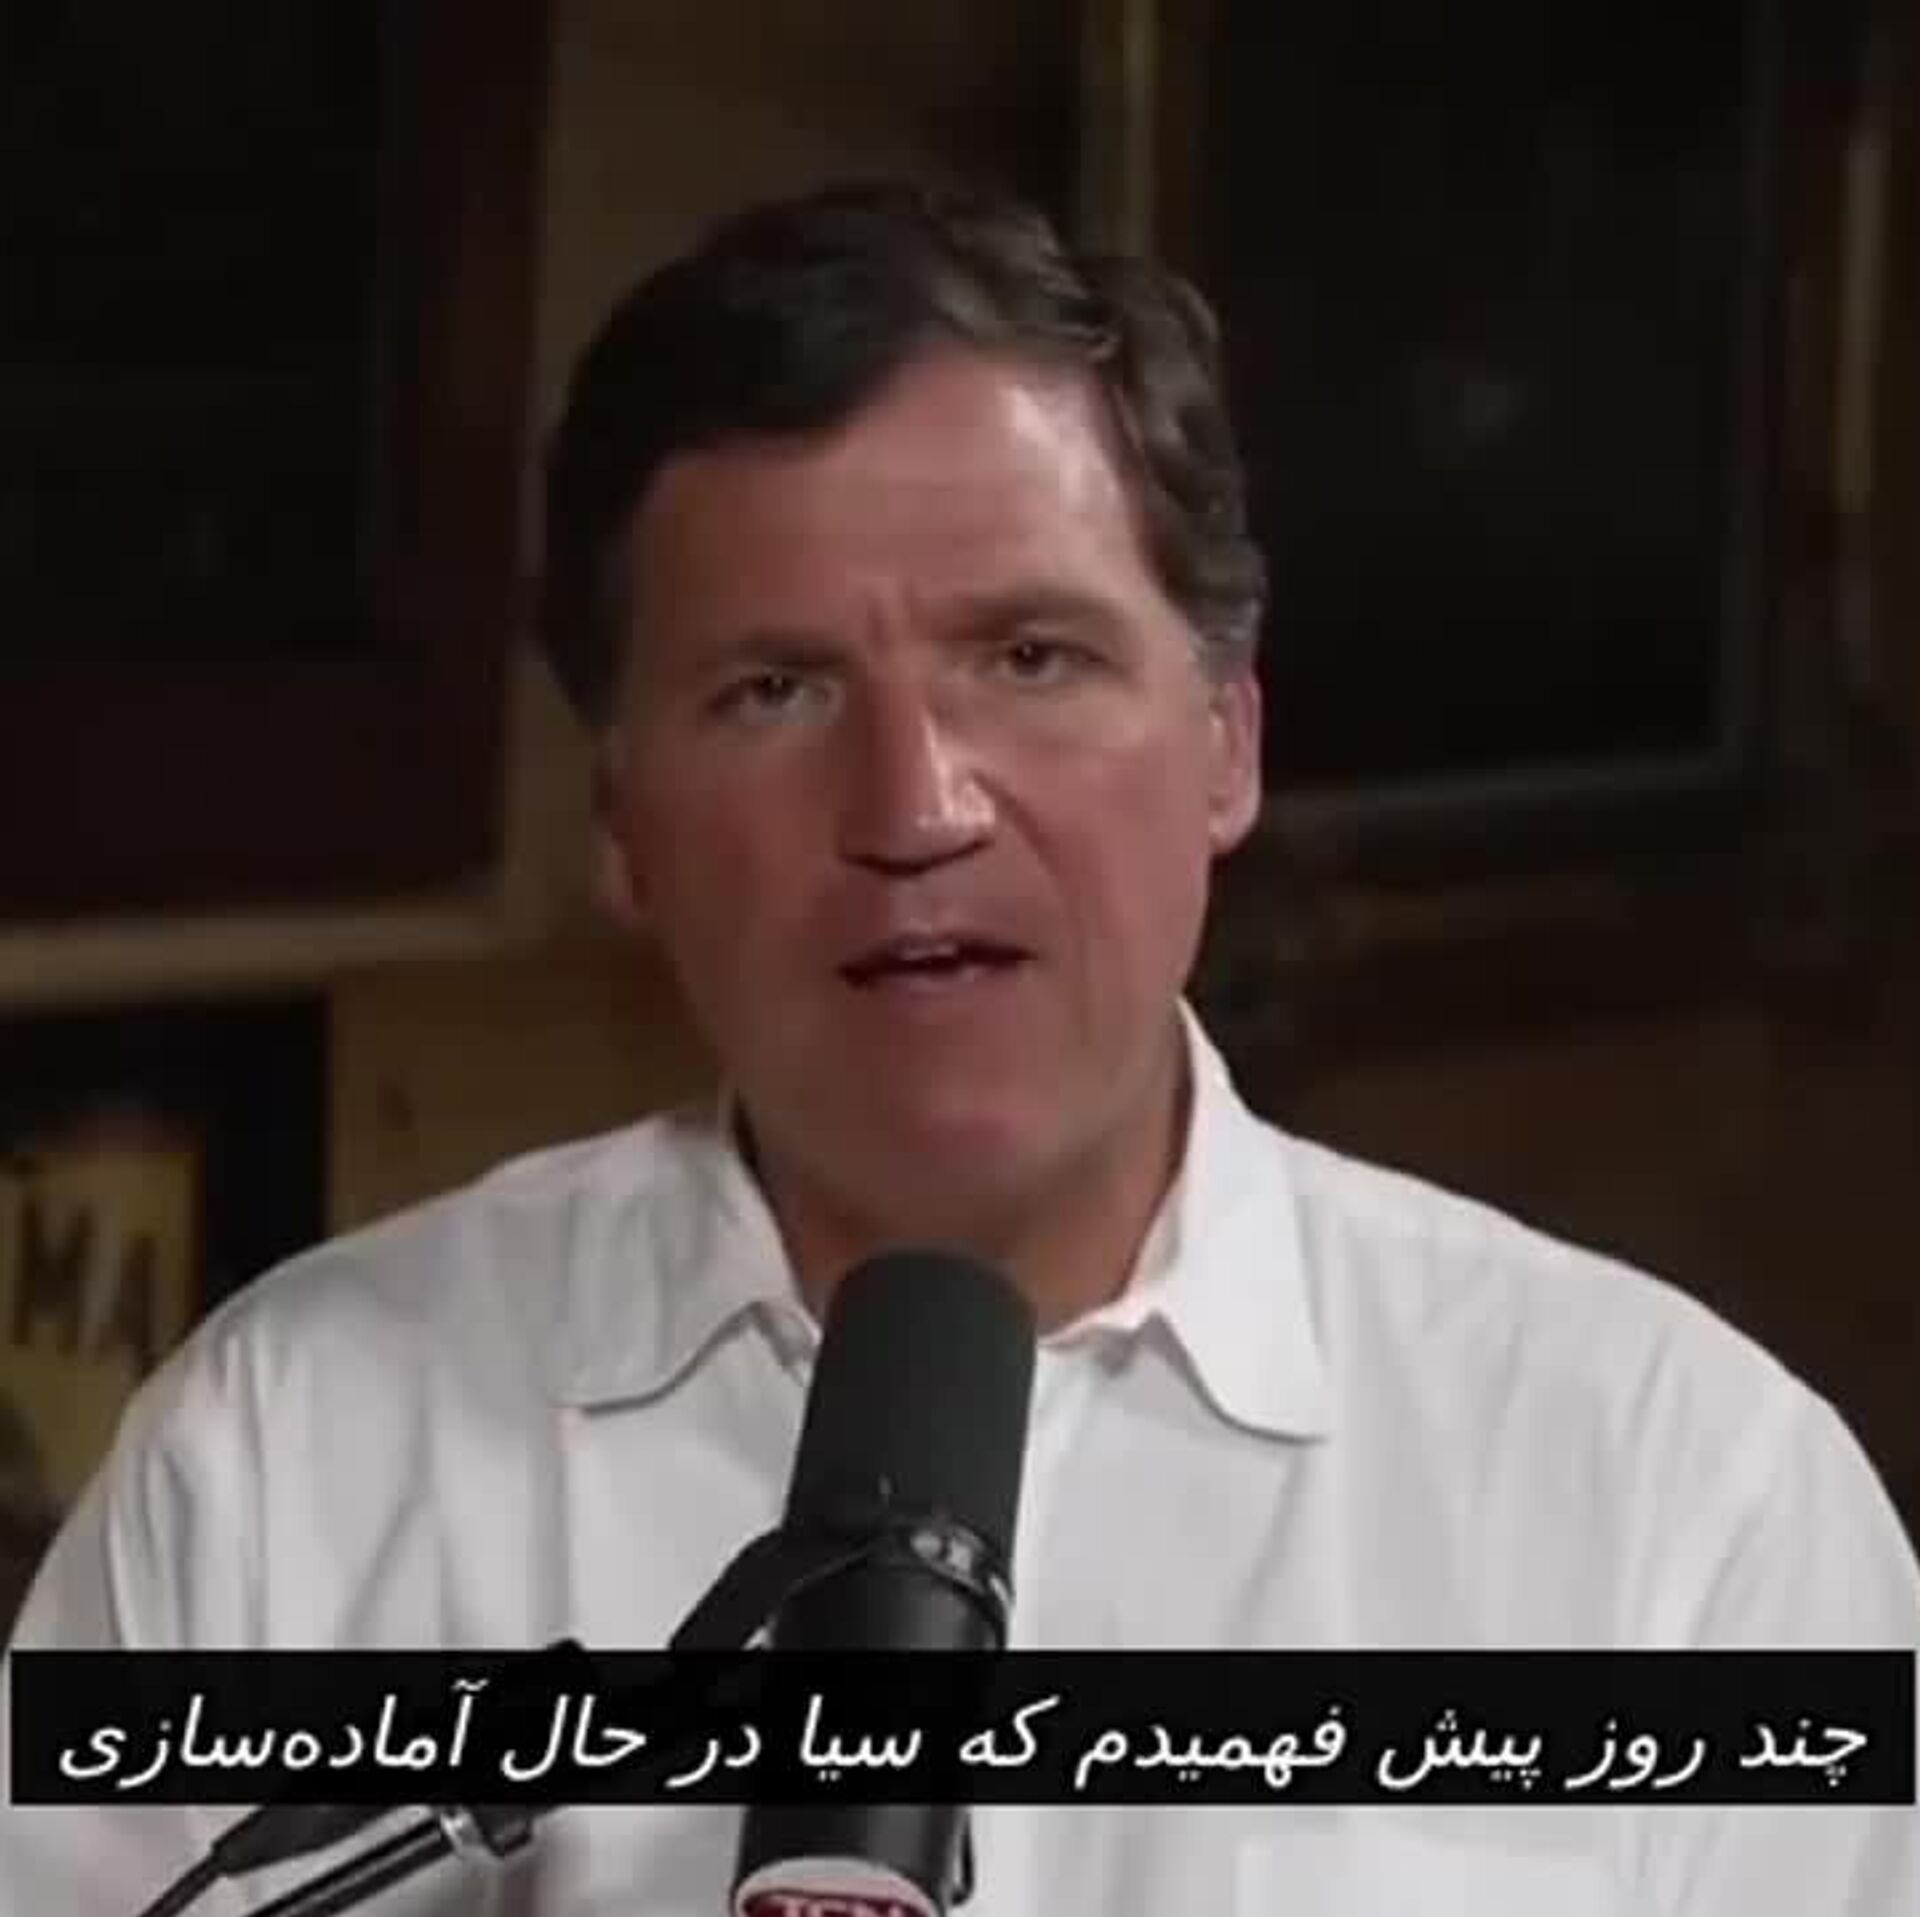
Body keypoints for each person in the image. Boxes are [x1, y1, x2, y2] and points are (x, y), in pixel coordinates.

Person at [3, 180, 1916, 1916]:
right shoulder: (282, 1468)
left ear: (1230, 743)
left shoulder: (1686, 1504)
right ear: (623, 828)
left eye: (1031, 658)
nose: (915, 806)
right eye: (775, 688)